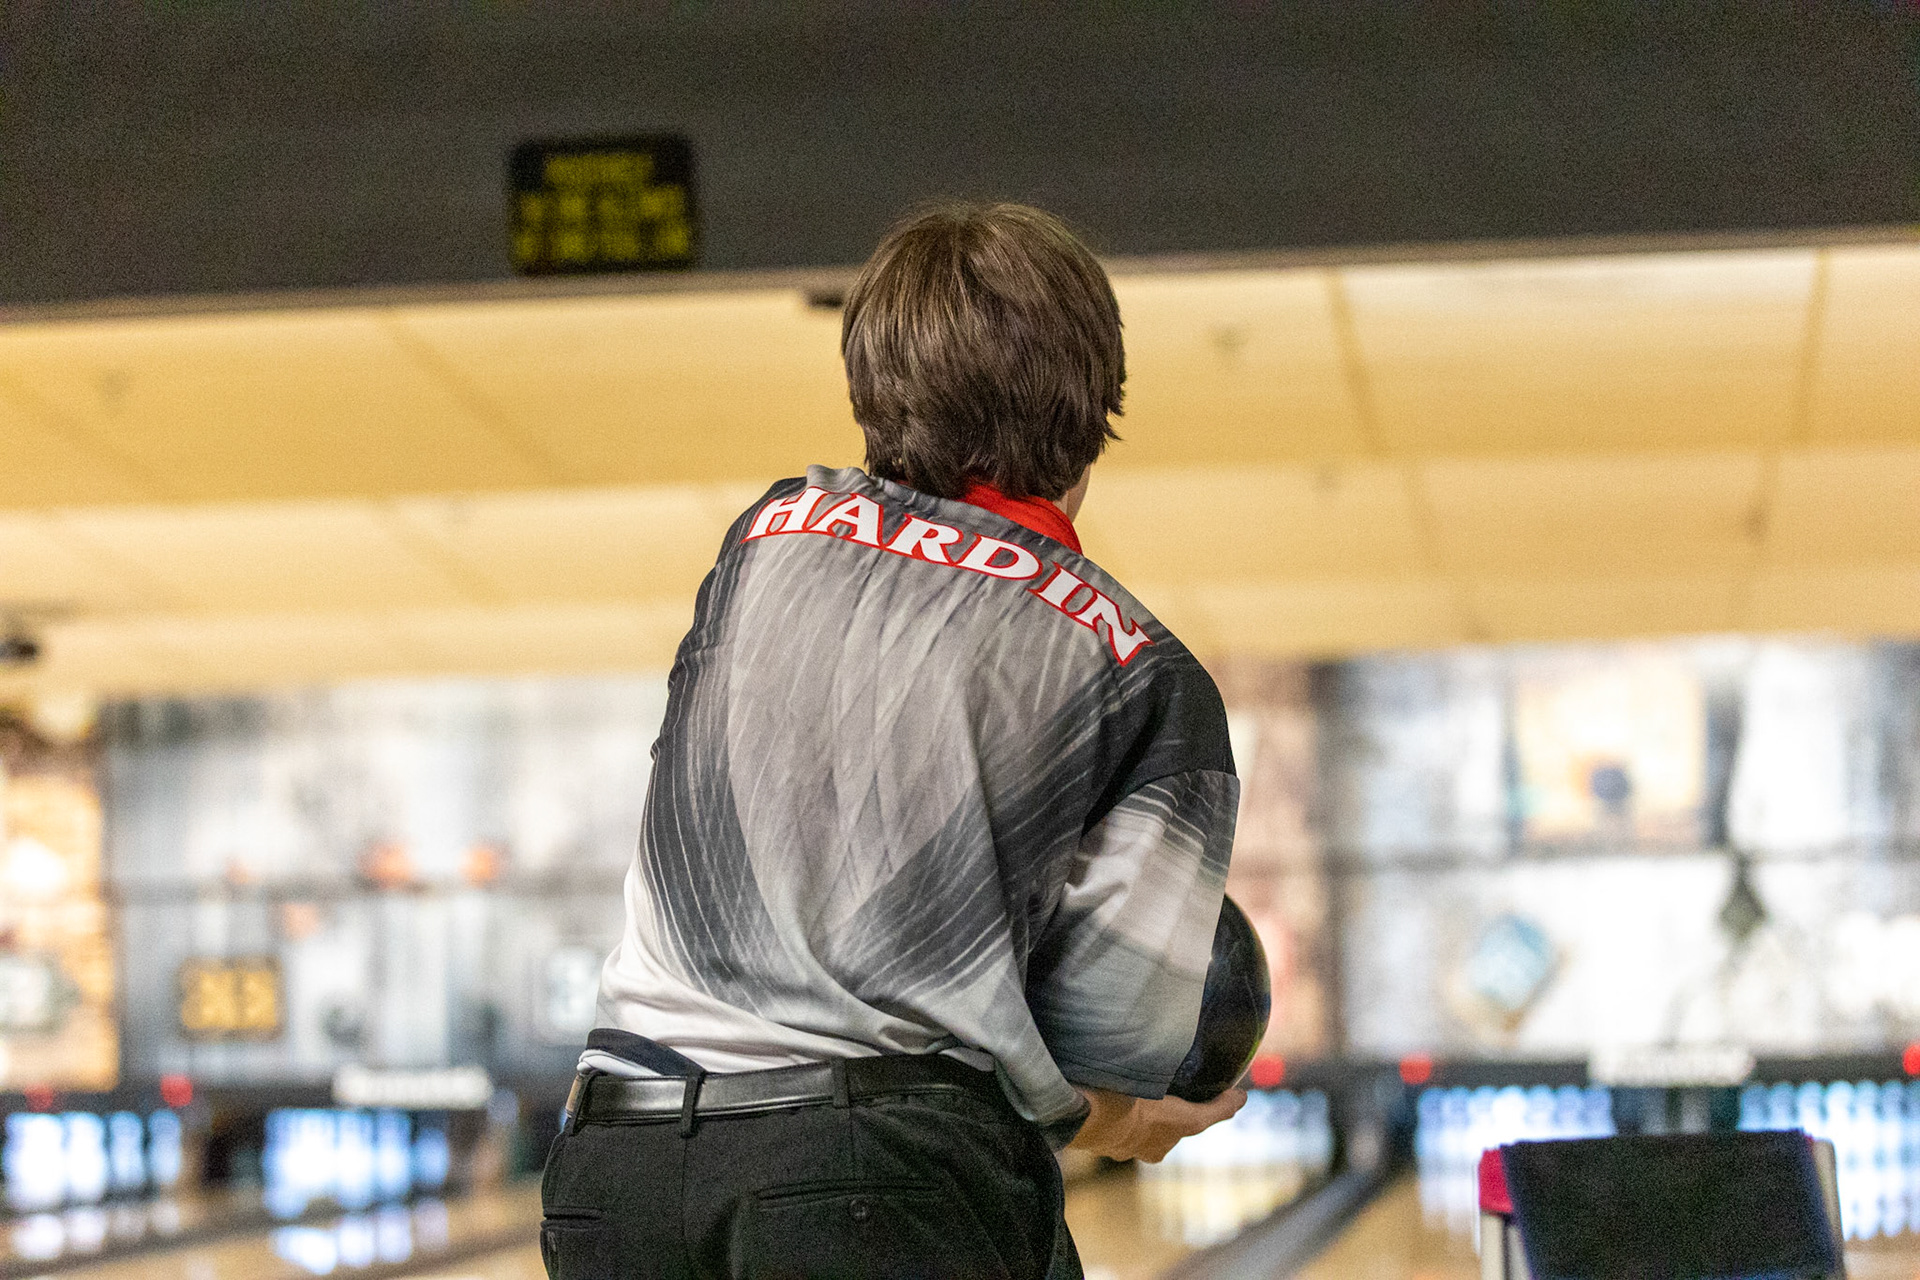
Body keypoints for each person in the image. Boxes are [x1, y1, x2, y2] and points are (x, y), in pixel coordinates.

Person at [540, 203, 1245, 1280]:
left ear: (869, 387)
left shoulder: (764, 538)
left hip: (617, 1168)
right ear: (1099, 405)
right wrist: (1150, 1119)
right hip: (873, 1180)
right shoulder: (1145, 678)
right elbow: (1099, 1074)